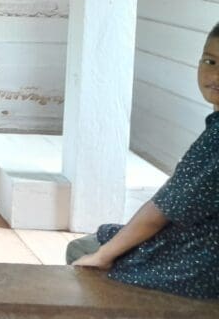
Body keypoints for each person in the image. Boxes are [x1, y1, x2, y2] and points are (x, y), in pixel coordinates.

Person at [67, 22, 219, 301]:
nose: (215, 75)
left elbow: (161, 211)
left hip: (203, 267)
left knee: (83, 250)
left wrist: (102, 256)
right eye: (210, 61)